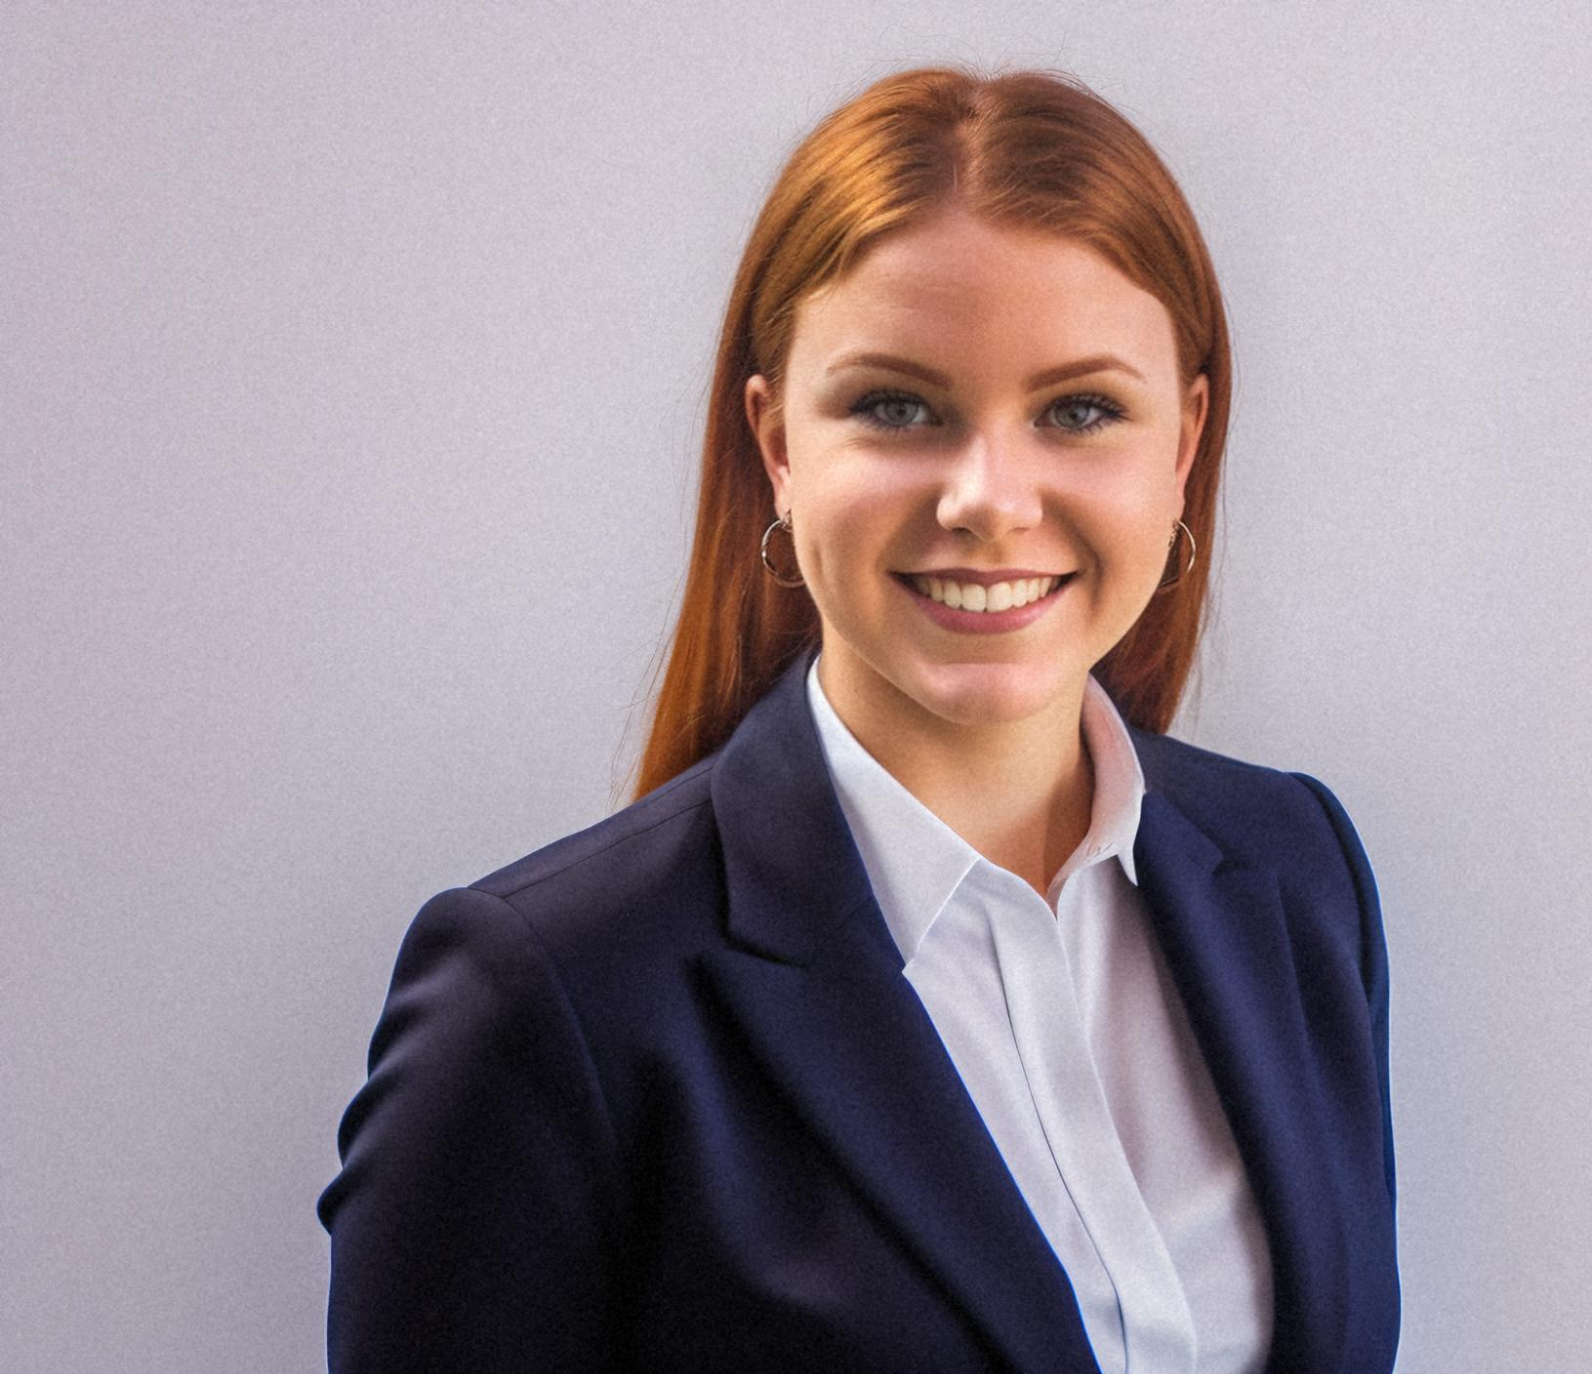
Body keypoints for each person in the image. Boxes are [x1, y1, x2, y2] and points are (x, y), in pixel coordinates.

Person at [317, 62, 1397, 1375]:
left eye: (1079, 410)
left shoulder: (1291, 867)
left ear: (1182, 442)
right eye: (896, 406)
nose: (989, 498)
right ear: (778, 446)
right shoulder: (546, 995)